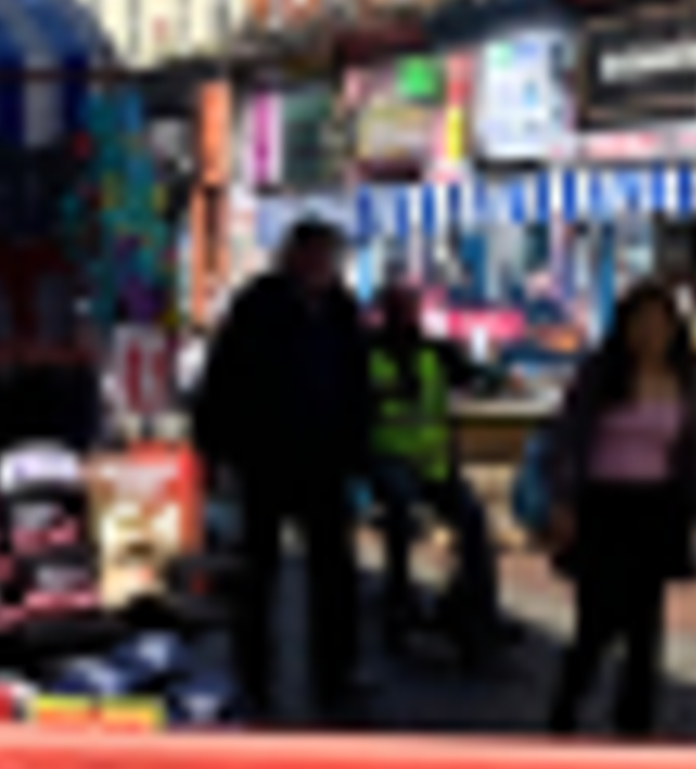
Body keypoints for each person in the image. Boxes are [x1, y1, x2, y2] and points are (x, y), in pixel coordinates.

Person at [189, 220, 371, 726]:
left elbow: (358, 385)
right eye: (312, 256)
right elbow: (222, 378)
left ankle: (335, 672)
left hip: (326, 460)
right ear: (291, 257)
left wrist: (360, 452)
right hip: (265, 456)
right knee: (256, 574)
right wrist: (216, 450)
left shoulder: (342, 310)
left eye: (327, 258)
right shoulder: (258, 305)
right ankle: (254, 678)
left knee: (333, 573)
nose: (320, 267)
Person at [544, 278, 696, 741]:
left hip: (655, 507)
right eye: (641, 323)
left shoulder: (682, 380)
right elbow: (568, 439)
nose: (650, 333)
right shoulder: (600, 376)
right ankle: (566, 708)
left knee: (647, 624)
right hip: (604, 507)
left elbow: (695, 456)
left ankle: (635, 723)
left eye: (660, 324)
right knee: (597, 622)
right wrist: (564, 501)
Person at [363, 273, 497, 667]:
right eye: (397, 309)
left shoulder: (435, 353)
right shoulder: (367, 354)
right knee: (400, 515)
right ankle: (398, 601)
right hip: (385, 461)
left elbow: (474, 377)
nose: (406, 317)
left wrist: (492, 375)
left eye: (410, 309)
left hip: (435, 467)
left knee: (473, 521)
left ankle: (477, 607)